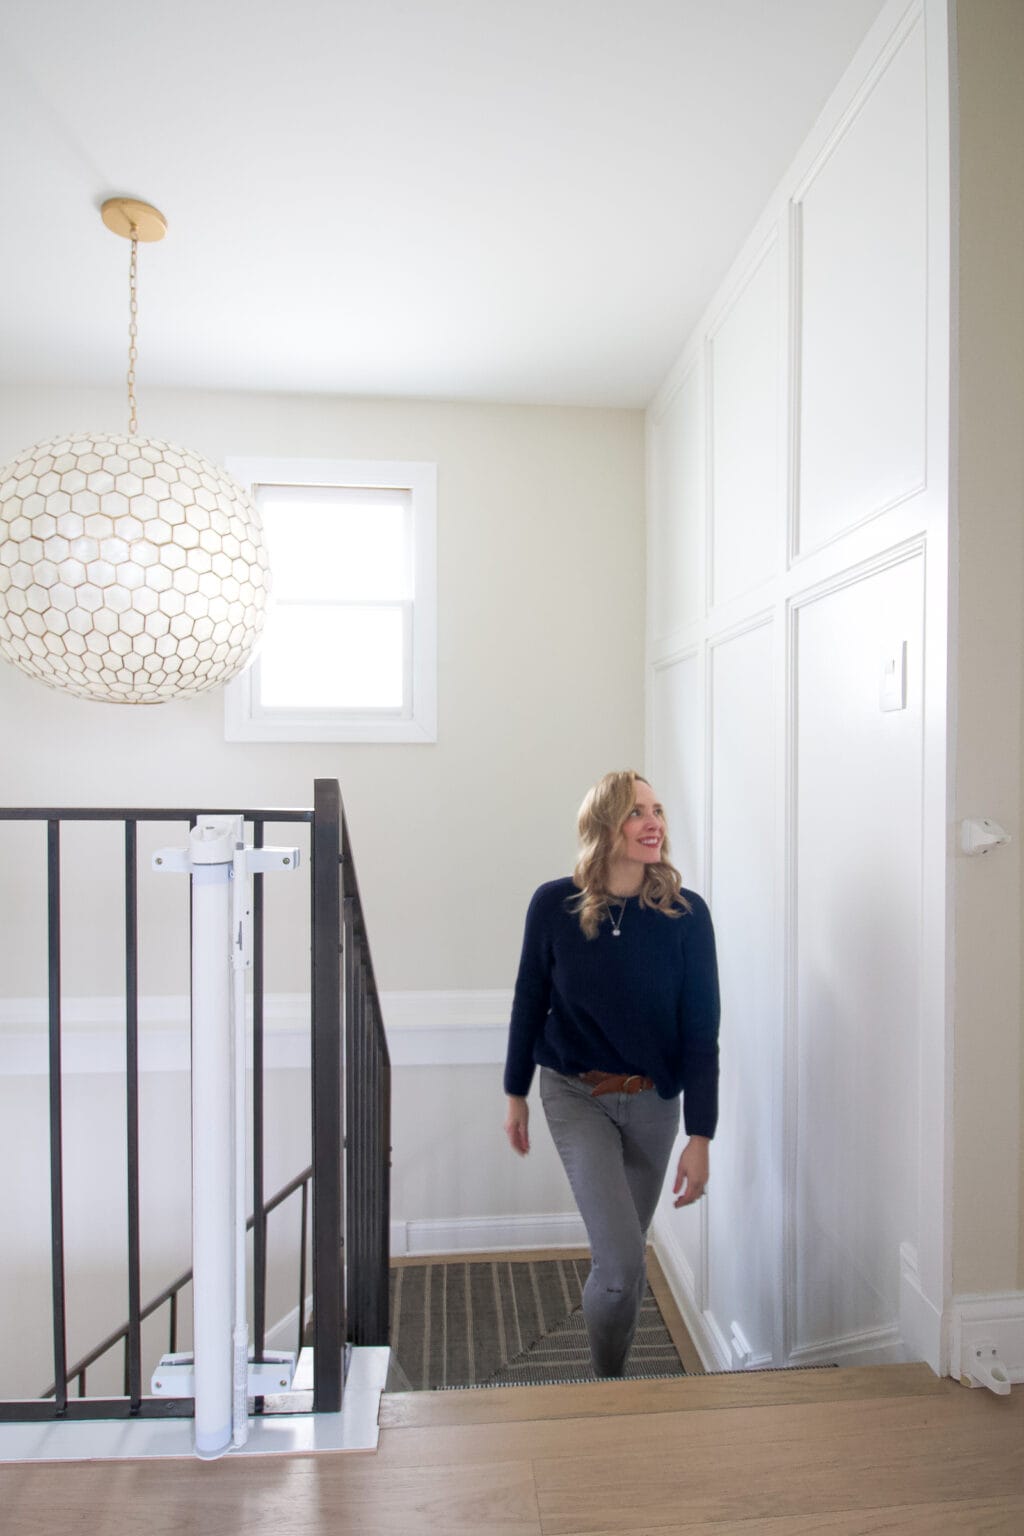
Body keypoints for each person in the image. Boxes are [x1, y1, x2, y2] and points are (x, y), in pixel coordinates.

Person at [503, 768, 720, 1378]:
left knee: (618, 1262)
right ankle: (608, 1386)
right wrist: (514, 1091)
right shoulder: (554, 905)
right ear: (604, 825)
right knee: (624, 1266)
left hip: (654, 1104)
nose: (654, 823)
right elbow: (529, 1000)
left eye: (657, 811)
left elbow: (702, 1034)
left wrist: (699, 1138)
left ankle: (611, 1381)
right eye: (636, 812)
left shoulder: (686, 916)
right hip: (576, 1096)